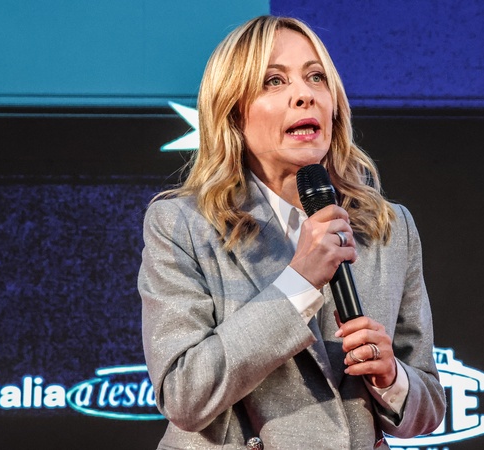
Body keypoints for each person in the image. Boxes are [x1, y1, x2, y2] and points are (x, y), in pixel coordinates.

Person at [138, 15, 446, 449]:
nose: (305, 95)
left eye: (316, 77)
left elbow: (429, 407)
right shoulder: (183, 224)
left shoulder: (390, 227)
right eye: (274, 81)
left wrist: (391, 377)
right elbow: (184, 395)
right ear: (234, 113)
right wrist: (299, 282)